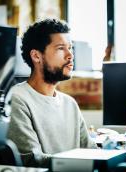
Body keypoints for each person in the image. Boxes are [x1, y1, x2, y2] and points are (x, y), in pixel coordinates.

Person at [7, 18, 97, 168]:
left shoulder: (70, 103)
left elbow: (90, 151)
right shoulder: (17, 99)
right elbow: (32, 160)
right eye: (61, 48)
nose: (70, 55)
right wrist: (82, 163)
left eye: (70, 48)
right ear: (36, 56)